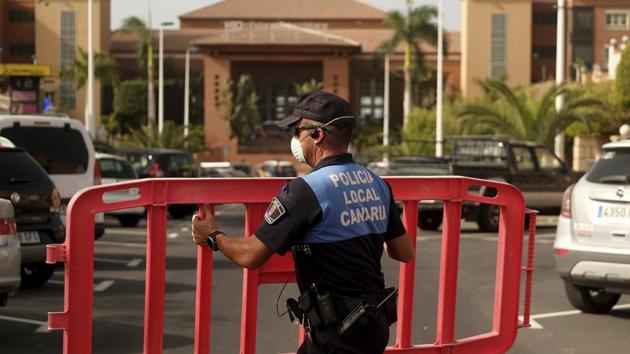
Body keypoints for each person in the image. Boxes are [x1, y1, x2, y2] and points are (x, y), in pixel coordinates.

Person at [192, 91, 413, 353]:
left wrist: (212, 236)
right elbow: (403, 252)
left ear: (317, 135)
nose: (295, 139)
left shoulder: (306, 190)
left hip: (338, 334)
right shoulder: (378, 184)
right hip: (374, 325)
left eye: (297, 130)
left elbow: (251, 254)